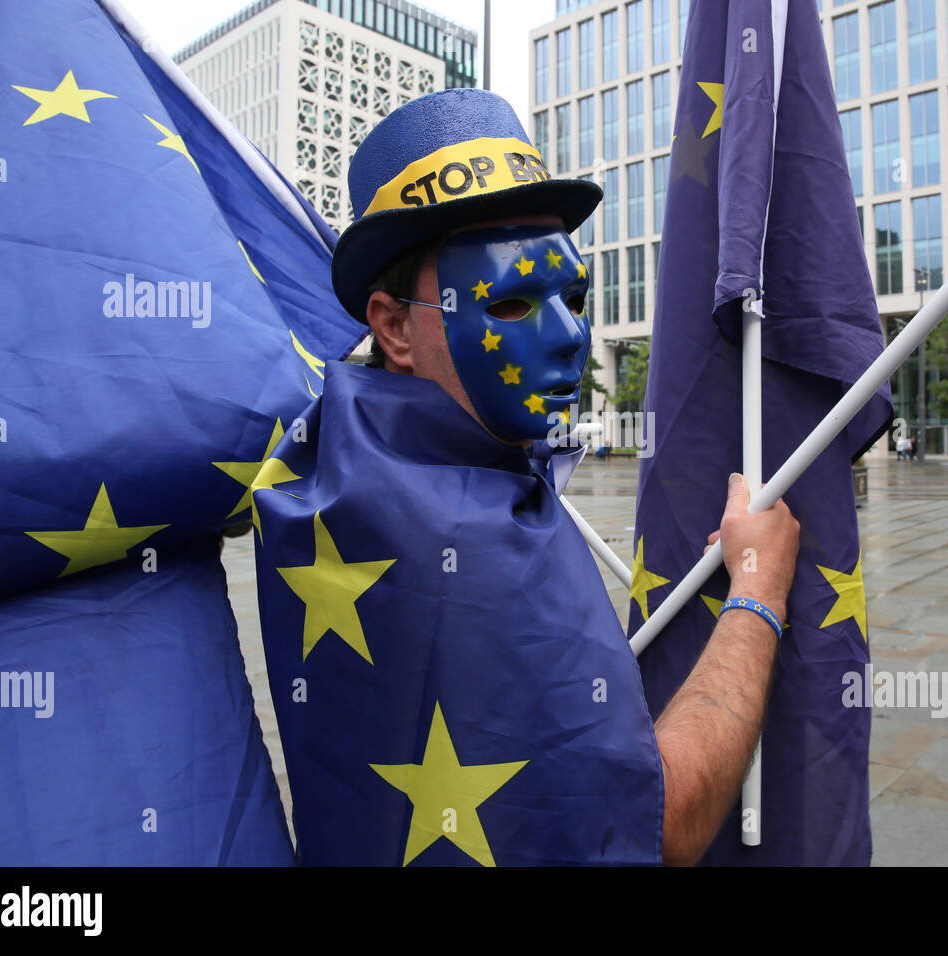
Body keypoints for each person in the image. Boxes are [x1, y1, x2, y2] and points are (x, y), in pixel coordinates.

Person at [252, 89, 801, 866]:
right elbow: (658, 825)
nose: (570, 336)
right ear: (394, 326)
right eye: (509, 303)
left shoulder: (339, 463)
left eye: (574, 296)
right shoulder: (464, 533)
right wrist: (758, 594)